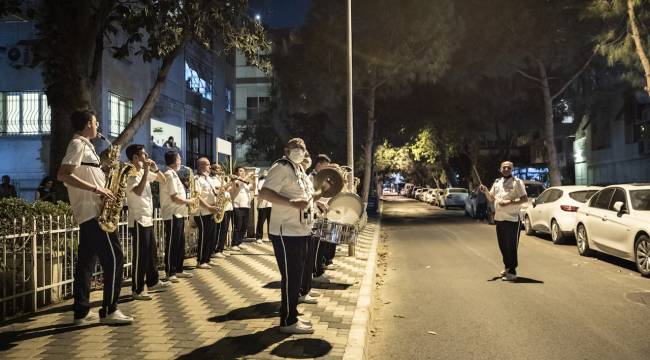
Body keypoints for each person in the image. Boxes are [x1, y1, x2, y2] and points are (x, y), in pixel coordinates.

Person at [56, 109, 133, 325]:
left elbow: (83, 172)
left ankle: (81, 313)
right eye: (96, 122)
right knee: (116, 258)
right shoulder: (78, 144)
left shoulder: (85, 146)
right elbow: (63, 174)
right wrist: (97, 189)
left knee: (86, 263)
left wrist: (105, 177)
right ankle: (109, 310)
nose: (98, 126)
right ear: (88, 124)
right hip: (93, 212)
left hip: (93, 210)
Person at [259, 138, 316, 334]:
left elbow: (305, 198)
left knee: (297, 276)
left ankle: (291, 315)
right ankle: (287, 321)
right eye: (295, 148)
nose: (299, 151)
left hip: (301, 229)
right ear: (286, 150)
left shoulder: (299, 170)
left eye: (302, 148)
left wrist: (317, 204)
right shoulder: (281, 167)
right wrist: (292, 203)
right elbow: (265, 193)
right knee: (291, 277)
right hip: (285, 231)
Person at [125, 144, 170, 301]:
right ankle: (137, 289)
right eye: (144, 154)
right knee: (141, 256)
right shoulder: (129, 173)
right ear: (136, 158)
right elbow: (137, 191)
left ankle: (153, 282)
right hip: (138, 219)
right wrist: (145, 172)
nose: (147, 156)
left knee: (151, 252)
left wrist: (155, 169)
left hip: (147, 218)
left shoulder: (145, 171)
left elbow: (163, 181)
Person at [479, 161, 528, 281]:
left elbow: (524, 198)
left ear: (512, 169)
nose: (506, 169)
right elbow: (491, 198)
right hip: (499, 218)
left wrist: (509, 202)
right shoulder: (497, 182)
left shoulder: (517, 182)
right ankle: (507, 267)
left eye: (509, 167)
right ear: (500, 169)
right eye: (504, 167)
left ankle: (512, 270)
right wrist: (485, 191)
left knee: (511, 246)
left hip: (512, 219)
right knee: (502, 246)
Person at [160, 151, 197, 283]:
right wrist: (189, 201)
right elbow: (174, 197)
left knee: (180, 242)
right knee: (172, 243)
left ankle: (179, 269)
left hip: (179, 213)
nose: (181, 161)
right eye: (179, 158)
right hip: (172, 213)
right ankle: (170, 271)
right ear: (175, 160)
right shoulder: (169, 174)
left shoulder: (174, 174)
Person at [298, 153, 321, 305]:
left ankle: (306, 290)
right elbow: (304, 200)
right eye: (305, 161)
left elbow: (311, 199)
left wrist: (317, 208)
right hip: (301, 224)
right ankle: (301, 291)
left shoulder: (305, 177)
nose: (306, 163)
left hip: (309, 221)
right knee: (303, 261)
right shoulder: (299, 177)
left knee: (308, 260)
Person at [310, 154, 335, 283]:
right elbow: (310, 196)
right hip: (315, 214)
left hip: (323, 213)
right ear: (319, 165)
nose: (327, 169)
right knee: (317, 246)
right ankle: (316, 272)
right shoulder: (311, 177)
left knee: (322, 244)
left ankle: (319, 269)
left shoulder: (321, 177)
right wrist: (319, 204)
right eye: (325, 166)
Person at [193, 157, 219, 269]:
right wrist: (209, 207)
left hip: (211, 211)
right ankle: (201, 260)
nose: (210, 166)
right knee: (204, 236)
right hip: (202, 212)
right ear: (201, 166)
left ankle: (207, 258)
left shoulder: (208, 179)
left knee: (210, 236)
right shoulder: (196, 179)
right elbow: (197, 196)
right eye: (208, 165)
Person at [230, 166, 253, 251]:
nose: (243, 173)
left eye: (244, 171)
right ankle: (234, 243)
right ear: (236, 172)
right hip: (237, 206)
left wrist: (254, 178)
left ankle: (240, 242)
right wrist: (247, 176)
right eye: (241, 171)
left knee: (244, 226)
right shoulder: (236, 181)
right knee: (238, 226)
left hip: (246, 206)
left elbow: (253, 188)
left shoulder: (246, 183)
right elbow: (238, 184)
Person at [212, 164, 233, 258]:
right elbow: (218, 189)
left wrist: (229, 184)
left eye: (220, 168)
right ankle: (216, 250)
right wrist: (229, 183)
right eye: (218, 168)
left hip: (227, 206)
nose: (220, 170)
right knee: (220, 229)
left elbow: (226, 189)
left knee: (225, 229)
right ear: (213, 170)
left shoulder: (221, 178)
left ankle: (221, 248)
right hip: (220, 206)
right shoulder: (212, 179)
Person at [255, 170, 272, 244]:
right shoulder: (261, 181)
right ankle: (258, 237)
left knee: (271, 222)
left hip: (271, 204)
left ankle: (271, 237)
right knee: (261, 222)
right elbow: (260, 191)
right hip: (262, 205)